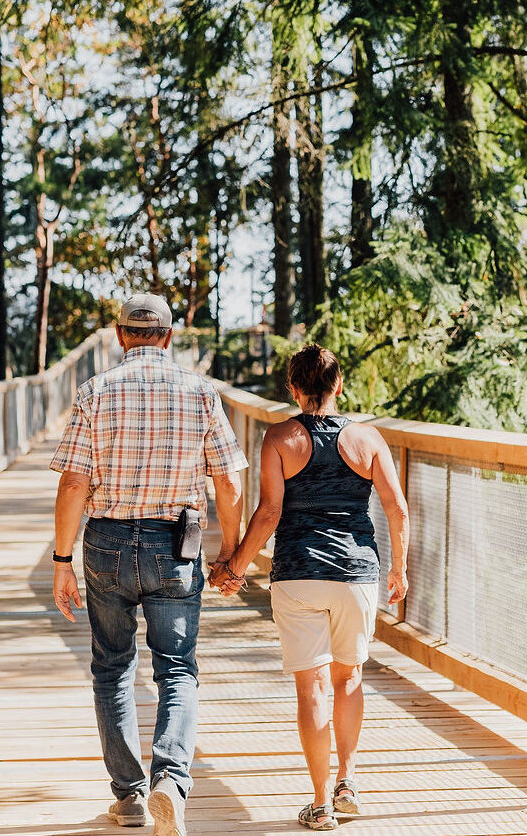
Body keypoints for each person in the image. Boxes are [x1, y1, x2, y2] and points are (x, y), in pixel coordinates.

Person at [50, 293, 246, 836]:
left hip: (107, 544)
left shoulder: (95, 391)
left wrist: (62, 560)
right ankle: (171, 783)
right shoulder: (200, 392)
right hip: (175, 544)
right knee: (177, 668)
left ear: (120, 336)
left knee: (113, 667)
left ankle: (130, 796)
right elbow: (229, 482)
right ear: (169, 335)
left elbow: (73, 483)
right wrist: (231, 553)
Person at [214, 344, 409, 832]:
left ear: (294, 388)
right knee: (349, 677)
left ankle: (320, 804)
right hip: (357, 574)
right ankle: (348, 783)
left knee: (313, 685)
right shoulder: (368, 439)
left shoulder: (280, 438)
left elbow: (270, 512)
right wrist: (399, 569)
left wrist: (235, 567)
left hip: (298, 573)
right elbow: (397, 508)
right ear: (338, 385)